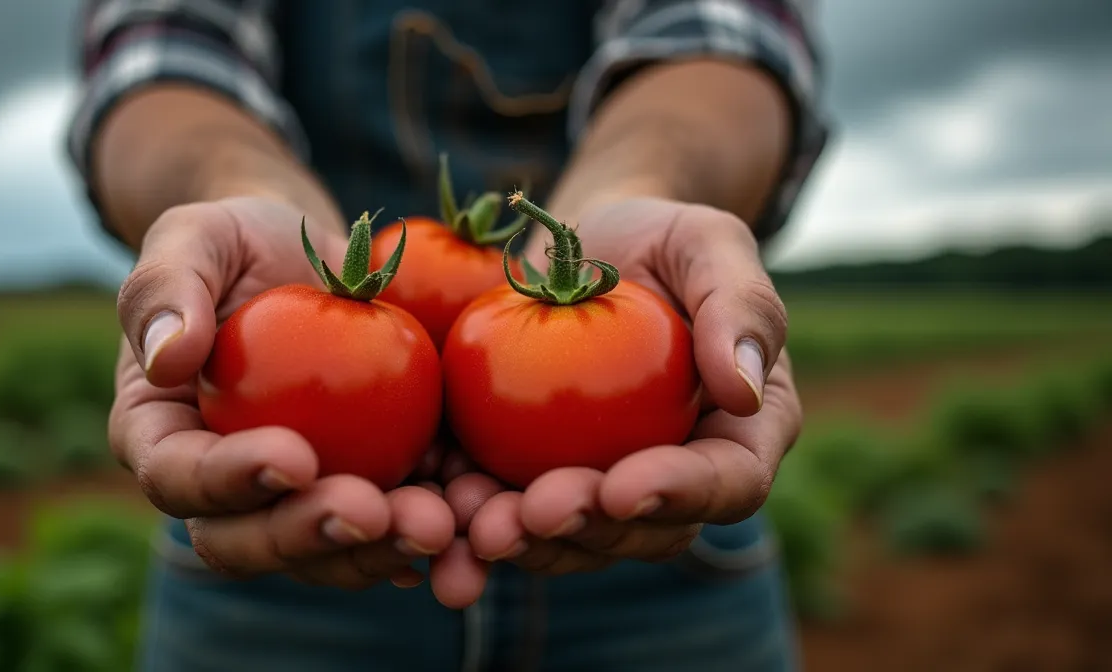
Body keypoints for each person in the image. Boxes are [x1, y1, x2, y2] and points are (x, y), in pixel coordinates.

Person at [65, 1, 829, 669]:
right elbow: (159, 52)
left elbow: (729, 33)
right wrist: (234, 192)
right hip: (264, 542)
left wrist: (644, 187)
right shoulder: (377, 325)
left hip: (668, 542)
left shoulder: (534, 324)